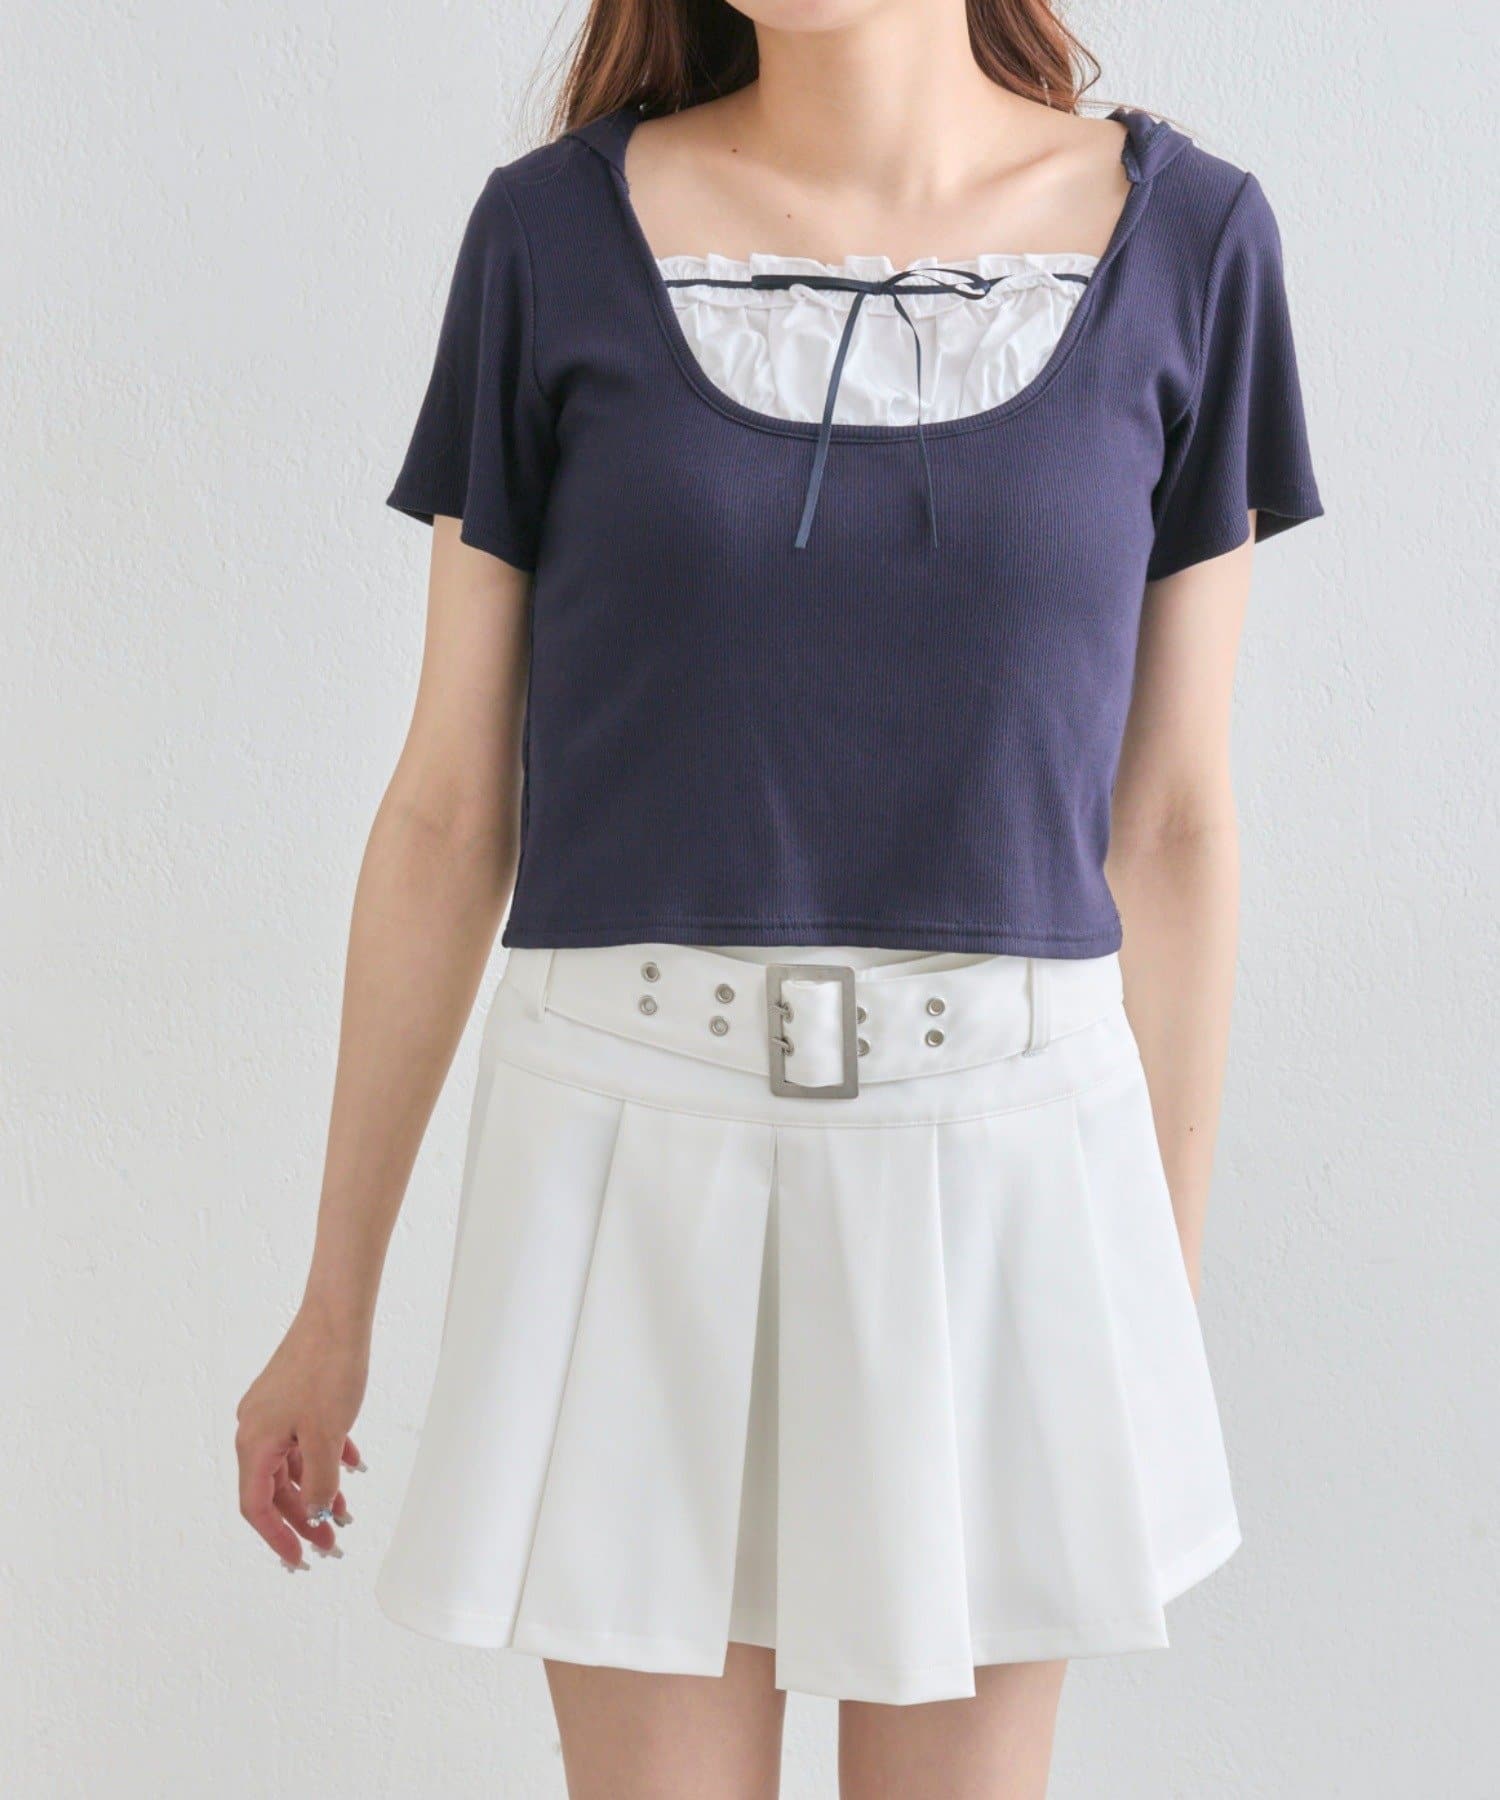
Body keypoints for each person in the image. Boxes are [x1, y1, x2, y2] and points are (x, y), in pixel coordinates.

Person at [235, 2, 1322, 1793]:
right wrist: (333, 1300)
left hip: (1013, 1166)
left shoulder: (1195, 242)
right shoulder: (548, 236)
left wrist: (1157, 1308)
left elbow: (1175, 827)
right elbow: (447, 810)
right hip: (623, 1151)